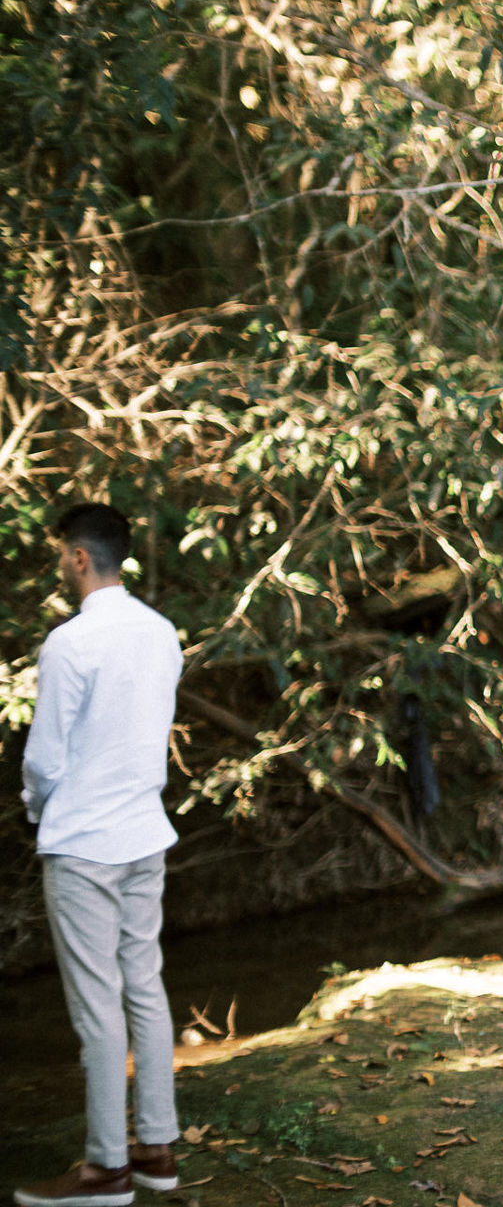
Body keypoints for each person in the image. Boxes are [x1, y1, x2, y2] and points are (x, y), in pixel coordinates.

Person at [15, 504, 184, 1207]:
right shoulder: (161, 633)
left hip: (84, 843)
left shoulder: (70, 644)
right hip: (145, 834)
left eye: (62, 554)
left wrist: (39, 811)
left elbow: (45, 760)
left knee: (97, 1008)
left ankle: (105, 1170)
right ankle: (157, 1151)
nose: (60, 564)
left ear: (81, 558)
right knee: (144, 986)